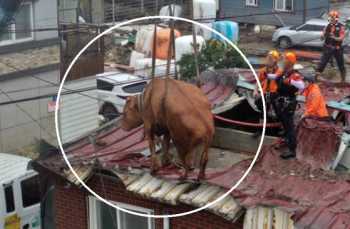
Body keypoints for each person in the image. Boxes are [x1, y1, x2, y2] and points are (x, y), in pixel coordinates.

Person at [267, 52, 304, 159]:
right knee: (282, 119)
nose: (282, 62)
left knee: (289, 124)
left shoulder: (294, 74)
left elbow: (301, 85)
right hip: (282, 101)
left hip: (289, 103)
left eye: (284, 60)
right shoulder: (284, 72)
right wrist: (265, 75)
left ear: (290, 62)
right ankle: (286, 134)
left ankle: (292, 149)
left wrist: (290, 81)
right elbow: (274, 76)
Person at [251, 50, 283, 139]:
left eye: (271, 59)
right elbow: (258, 81)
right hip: (266, 94)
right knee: (262, 112)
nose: (269, 61)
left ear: (275, 61)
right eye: (268, 58)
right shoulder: (263, 70)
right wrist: (255, 90)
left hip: (275, 95)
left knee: (279, 113)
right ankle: (260, 130)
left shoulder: (279, 72)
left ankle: (283, 131)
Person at [315, 10, 347, 83]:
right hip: (328, 47)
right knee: (322, 63)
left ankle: (343, 80)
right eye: (331, 18)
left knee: (341, 64)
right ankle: (316, 79)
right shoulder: (327, 27)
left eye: (334, 19)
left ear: (337, 19)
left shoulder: (341, 27)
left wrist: (334, 37)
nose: (332, 20)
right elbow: (321, 38)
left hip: (337, 48)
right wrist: (322, 36)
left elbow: (341, 38)